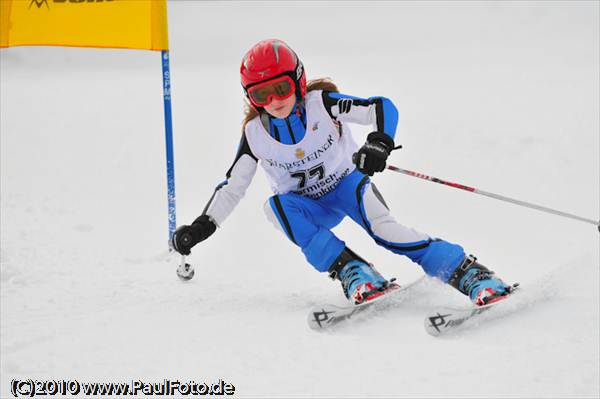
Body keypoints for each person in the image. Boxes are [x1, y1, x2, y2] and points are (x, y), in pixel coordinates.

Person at [171, 38, 514, 306]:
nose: (274, 100)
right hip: (309, 209)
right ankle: (353, 271)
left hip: (348, 187)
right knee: (275, 207)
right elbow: (233, 187)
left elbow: (381, 107)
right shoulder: (255, 136)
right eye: (261, 93)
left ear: (298, 81)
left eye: (281, 88)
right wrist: (203, 227)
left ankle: (471, 274)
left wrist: (378, 143)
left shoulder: (322, 104)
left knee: (388, 233)